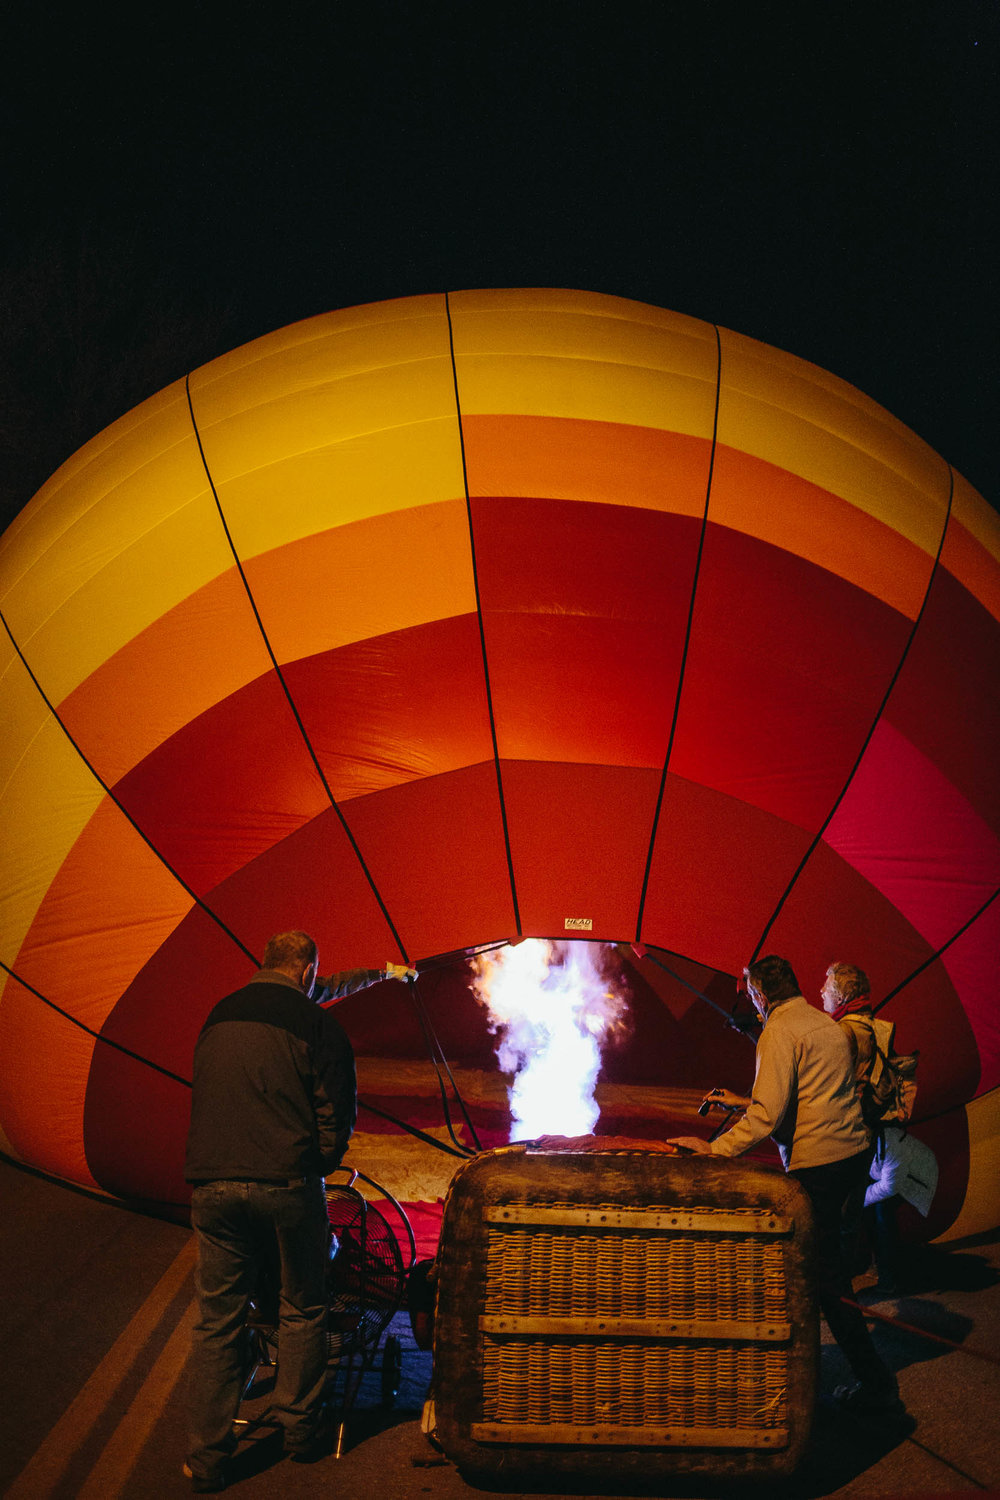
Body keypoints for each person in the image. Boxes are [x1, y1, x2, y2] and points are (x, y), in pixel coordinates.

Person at [183, 931, 417, 1493]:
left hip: (211, 1185)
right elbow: (337, 1118)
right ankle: (300, 1432)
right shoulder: (320, 1028)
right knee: (303, 1304)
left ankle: (207, 1458)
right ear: (309, 972)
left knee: (218, 1320)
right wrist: (318, 1162)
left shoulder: (219, 1015)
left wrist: (381, 971)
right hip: (287, 1185)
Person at [670, 954, 903, 1417]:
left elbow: (769, 1114)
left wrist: (713, 1150)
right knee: (828, 1267)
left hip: (819, 1166)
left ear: (760, 993)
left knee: (821, 1277)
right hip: (851, 1157)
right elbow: (808, 1095)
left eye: (752, 994)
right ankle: (817, 1369)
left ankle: (871, 1382)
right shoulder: (824, 1023)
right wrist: (742, 1102)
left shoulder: (778, 1030)